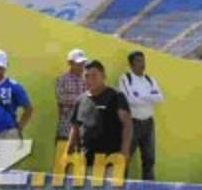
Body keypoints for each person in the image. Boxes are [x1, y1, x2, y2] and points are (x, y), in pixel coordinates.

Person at [65, 60, 132, 171]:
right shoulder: (80, 100)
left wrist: (125, 151)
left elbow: (127, 125)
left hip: (110, 163)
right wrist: (67, 154)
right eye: (86, 76)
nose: (90, 79)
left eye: (94, 75)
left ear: (103, 76)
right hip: (84, 162)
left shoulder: (116, 96)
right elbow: (75, 129)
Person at [118, 51, 162, 181]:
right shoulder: (126, 78)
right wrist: (149, 98)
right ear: (131, 64)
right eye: (138, 61)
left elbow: (159, 98)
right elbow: (129, 100)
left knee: (149, 159)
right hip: (132, 124)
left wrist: (139, 96)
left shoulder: (150, 79)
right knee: (125, 158)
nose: (142, 64)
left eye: (143, 60)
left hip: (148, 123)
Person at [55, 49, 87, 151]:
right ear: (70, 63)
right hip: (65, 127)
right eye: (79, 64)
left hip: (83, 129)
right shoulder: (62, 80)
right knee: (62, 162)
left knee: (80, 161)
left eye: (83, 63)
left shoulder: (86, 80)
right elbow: (62, 99)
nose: (81, 66)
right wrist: (82, 99)